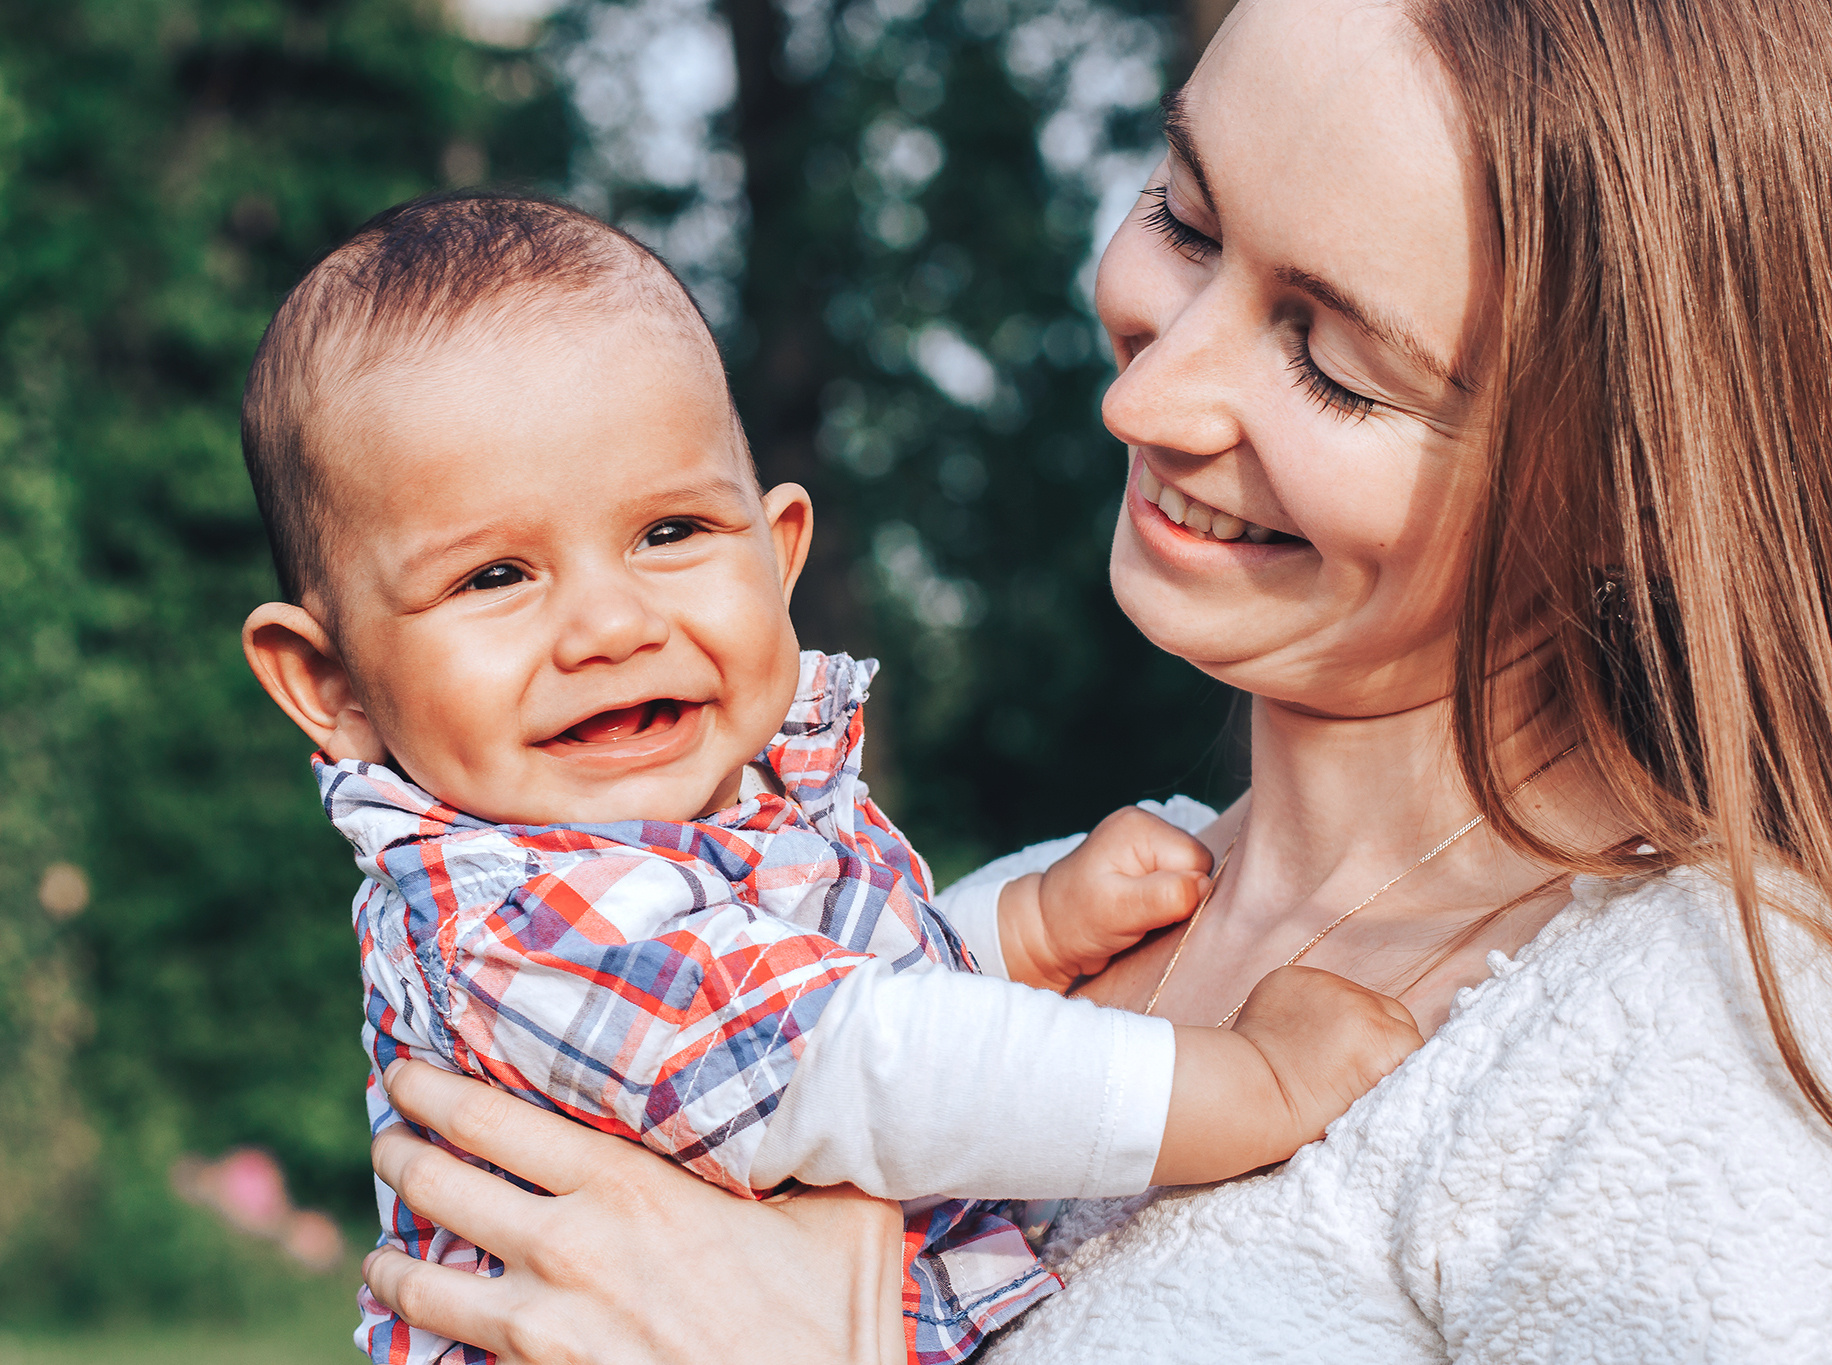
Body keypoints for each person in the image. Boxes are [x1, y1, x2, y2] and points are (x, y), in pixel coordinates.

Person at [350, 0, 1832, 1359]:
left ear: (1640, 488)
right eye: (1185, 221)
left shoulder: (1695, 1035)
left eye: (1331, 363)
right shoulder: (1045, 905)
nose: (1142, 392)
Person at [233, 193, 1424, 1364]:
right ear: (327, 682)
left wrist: (1022, 928)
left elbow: (826, 999)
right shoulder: (513, 921)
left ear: (776, 552)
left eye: (669, 535)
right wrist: (1258, 1081)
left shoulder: (710, 820)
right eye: (494, 576)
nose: (608, 624)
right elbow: (867, 1065)